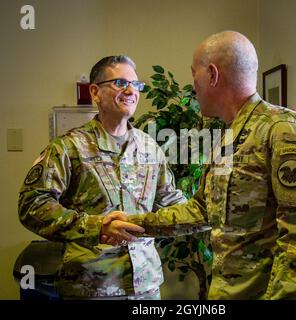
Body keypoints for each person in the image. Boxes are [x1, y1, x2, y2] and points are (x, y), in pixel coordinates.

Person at [106, 31, 296, 300]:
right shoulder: (230, 138)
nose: (194, 87)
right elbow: (203, 209)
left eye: (195, 76)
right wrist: (134, 224)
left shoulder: (283, 132)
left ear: (213, 75)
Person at [18, 55, 187, 299]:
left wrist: (211, 209)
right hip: (92, 287)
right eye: (120, 83)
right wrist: (97, 227)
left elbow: (170, 200)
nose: (131, 90)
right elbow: (32, 206)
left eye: (136, 85)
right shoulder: (68, 147)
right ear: (95, 92)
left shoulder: (150, 148)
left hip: (145, 287)